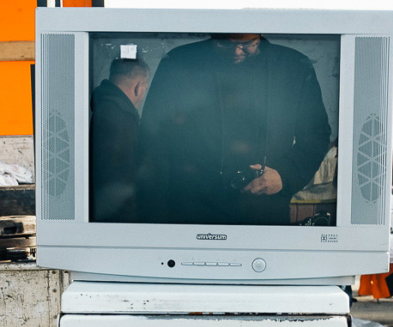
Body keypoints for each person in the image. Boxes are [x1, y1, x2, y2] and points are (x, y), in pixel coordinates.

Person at [136, 33, 331, 225]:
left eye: (248, 45)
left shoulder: (293, 65)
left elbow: (316, 134)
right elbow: (152, 135)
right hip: (188, 206)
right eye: (224, 45)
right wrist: (153, 211)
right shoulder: (178, 62)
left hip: (263, 206)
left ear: (260, 34)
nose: (236, 52)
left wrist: (285, 175)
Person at [89, 58, 151, 222]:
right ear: (138, 88)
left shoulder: (103, 106)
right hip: (119, 219)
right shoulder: (120, 117)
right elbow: (121, 179)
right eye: (145, 87)